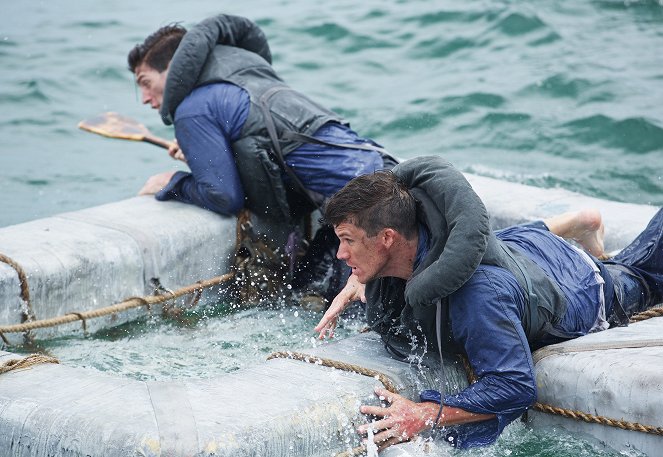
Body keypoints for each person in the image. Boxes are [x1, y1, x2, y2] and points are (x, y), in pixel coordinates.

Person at [314, 155, 663, 449]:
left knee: (643, 274)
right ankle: (577, 224)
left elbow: (514, 386)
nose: (341, 254)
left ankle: (584, 236)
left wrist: (424, 414)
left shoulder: (478, 295)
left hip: (578, 281)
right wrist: (361, 274)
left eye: (348, 242)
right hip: (521, 249)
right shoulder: (421, 237)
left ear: (387, 239)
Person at [127, 14, 397, 301]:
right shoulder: (248, 80)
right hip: (384, 177)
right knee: (306, 295)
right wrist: (199, 157)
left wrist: (176, 183)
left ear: (173, 69)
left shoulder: (192, 109)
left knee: (334, 320)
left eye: (145, 82)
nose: (144, 97)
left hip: (364, 217)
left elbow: (223, 196)